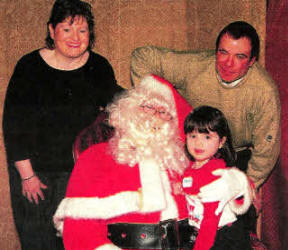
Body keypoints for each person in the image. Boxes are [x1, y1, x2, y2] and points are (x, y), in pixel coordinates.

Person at [53, 74, 252, 250]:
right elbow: (78, 230)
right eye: (147, 106)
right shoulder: (96, 157)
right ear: (128, 111)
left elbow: (234, 187)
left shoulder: (183, 159)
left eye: (164, 112)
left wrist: (234, 183)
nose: (154, 116)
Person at [2, 0, 123, 249]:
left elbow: (118, 102)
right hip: (35, 177)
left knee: (77, 242)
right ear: (51, 30)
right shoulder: (29, 66)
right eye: (66, 29)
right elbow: (13, 124)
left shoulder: (98, 66)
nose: (75, 38)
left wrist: (150, 102)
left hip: (79, 176)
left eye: (82, 30)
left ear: (90, 33)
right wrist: (27, 176)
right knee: (38, 243)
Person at [130, 21, 281, 191]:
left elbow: (266, 150)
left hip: (233, 157)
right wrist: (156, 103)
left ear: (252, 60)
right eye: (223, 52)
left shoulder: (264, 91)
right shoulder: (195, 66)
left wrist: (249, 186)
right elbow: (141, 57)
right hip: (189, 150)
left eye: (240, 57)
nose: (228, 63)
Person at [182, 106, 252, 250]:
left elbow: (210, 220)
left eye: (207, 137)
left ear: (221, 141)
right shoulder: (190, 168)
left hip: (222, 237)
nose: (198, 143)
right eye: (193, 136)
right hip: (200, 232)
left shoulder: (215, 173)